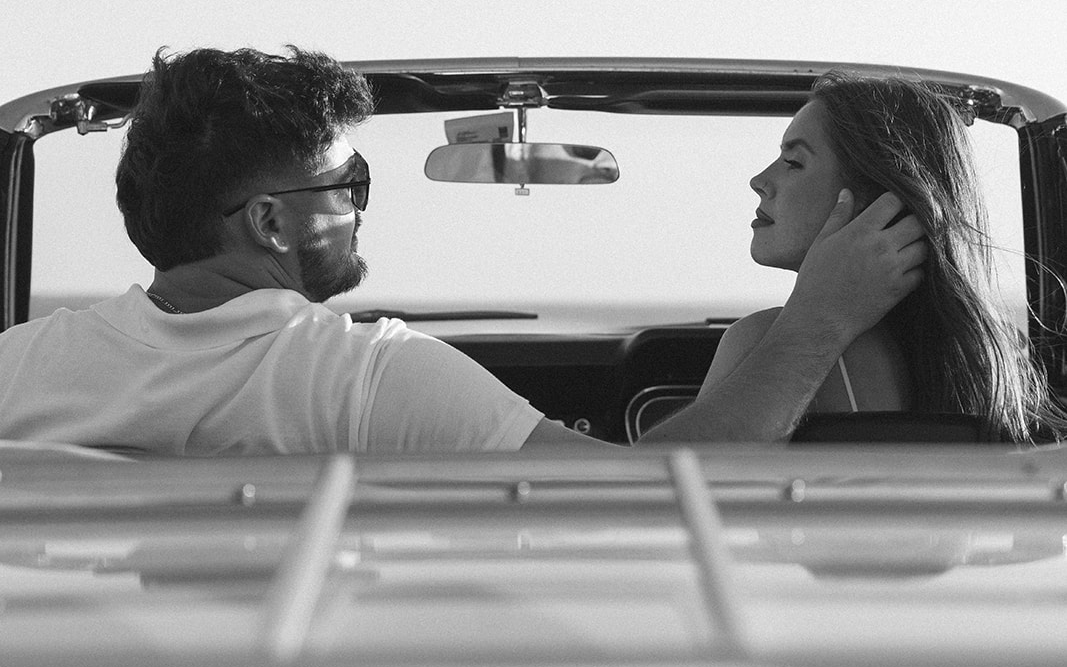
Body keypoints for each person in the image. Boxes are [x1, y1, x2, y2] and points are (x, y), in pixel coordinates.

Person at [0, 47, 925, 455]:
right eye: (347, 185)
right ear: (272, 225)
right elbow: (645, 500)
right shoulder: (365, 378)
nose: (362, 207)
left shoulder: (17, 369)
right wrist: (817, 323)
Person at [702, 71, 1058, 441]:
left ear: (874, 199)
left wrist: (810, 322)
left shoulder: (760, 341)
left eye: (794, 162)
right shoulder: (998, 356)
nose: (759, 180)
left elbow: (659, 482)